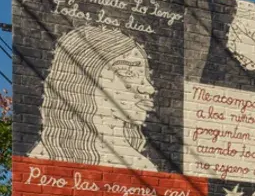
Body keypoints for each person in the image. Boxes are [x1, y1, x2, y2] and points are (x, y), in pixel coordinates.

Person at [29, 25, 158, 170]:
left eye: (145, 75)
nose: (149, 88)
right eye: (128, 72)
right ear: (82, 79)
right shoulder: (43, 159)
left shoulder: (143, 167)